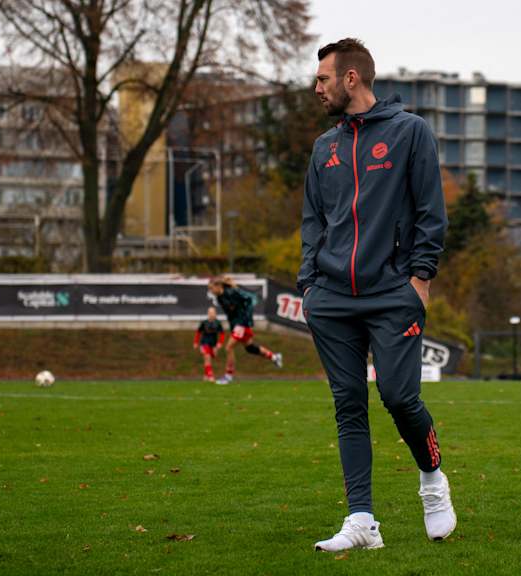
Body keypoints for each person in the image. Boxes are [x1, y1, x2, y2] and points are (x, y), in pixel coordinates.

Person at [299, 38, 454, 551]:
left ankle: (432, 479)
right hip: (331, 297)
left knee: (398, 397)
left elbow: (431, 211)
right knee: (349, 404)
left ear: (351, 78)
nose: (316, 87)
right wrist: (309, 285)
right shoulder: (324, 147)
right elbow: (313, 221)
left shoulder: (410, 132)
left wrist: (420, 278)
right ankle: (362, 521)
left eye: (323, 78)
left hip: (393, 292)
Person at [207, 276, 282, 385]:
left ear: (218, 286)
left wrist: (246, 319)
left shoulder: (232, 292)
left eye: (211, 288)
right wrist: (233, 326)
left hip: (242, 323)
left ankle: (228, 376)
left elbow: (249, 299)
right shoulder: (219, 298)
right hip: (237, 325)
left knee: (229, 347)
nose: (211, 291)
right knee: (250, 348)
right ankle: (274, 357)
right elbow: (231, 314)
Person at [193, 306, 225, 383]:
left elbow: (222, 334)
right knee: (207, 358)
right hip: (204, 343)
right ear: (208, 314)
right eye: (210, 312)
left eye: (213, 312)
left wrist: (220, 343)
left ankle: (206, 375)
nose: (211, 314)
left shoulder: (218, 323)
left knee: (209, 360)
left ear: (215, 313)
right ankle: (211, 376)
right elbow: (198, 333)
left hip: (213, 344)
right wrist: (196, 342)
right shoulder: (204, 323)